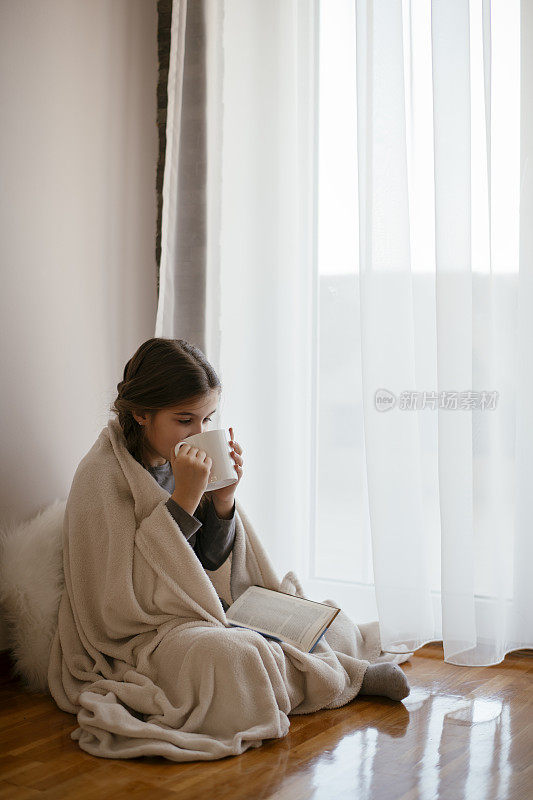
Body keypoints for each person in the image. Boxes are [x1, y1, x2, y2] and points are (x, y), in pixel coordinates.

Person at [111, 337, 244, 612]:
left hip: (194, 608)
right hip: (152, 619)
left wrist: (223, 499)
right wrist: (184, 498)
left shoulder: (183, 462)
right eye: (185, 420)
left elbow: (209, 561)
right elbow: (132, 587)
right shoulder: (108, 474)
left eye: (206, 419)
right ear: (141, 413)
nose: (199, 434)